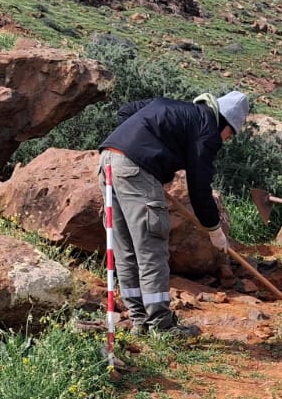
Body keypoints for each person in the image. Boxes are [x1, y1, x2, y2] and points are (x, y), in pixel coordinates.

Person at [98, 89, 249, 337]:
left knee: (125, 248)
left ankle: (140, 321)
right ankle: (160, 324)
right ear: (225, 122)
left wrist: (138, 147)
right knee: (151, 247)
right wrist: (214, 229)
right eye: (231, 134)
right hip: (135, 170)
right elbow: (200, 187)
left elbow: (125, 112)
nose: (227, 140)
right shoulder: (208, 128)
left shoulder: (173, 107)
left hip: (107, 161)